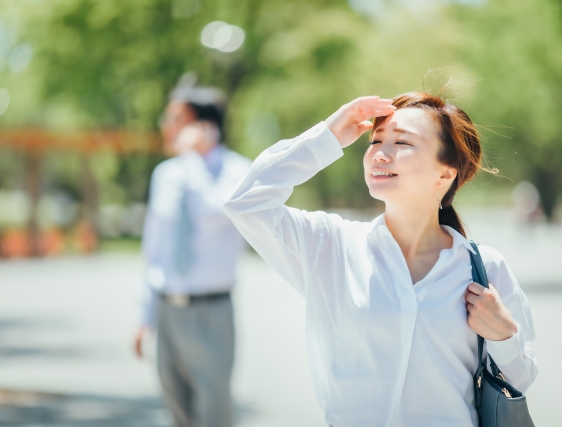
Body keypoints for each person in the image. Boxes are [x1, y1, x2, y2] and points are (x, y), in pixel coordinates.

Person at [223, 93, 538, 427]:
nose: (380, 154)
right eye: (375, 140)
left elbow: (518, 382)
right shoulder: (330, 247)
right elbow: (245, 203)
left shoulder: (483, 269)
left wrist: (504, 336)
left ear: (445, 175)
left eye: (402, 142)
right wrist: (327, 137)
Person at [134, 78, 252, 427]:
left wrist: (193, 159)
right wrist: (145, 315)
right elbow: (154, 249)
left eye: (175, 119)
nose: (165, 127)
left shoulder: (237, 171)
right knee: (178, 414)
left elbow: (214, 213)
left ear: (205, 126)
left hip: (211, 311)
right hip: (169, 311)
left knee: (214, 415)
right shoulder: (165, 174)